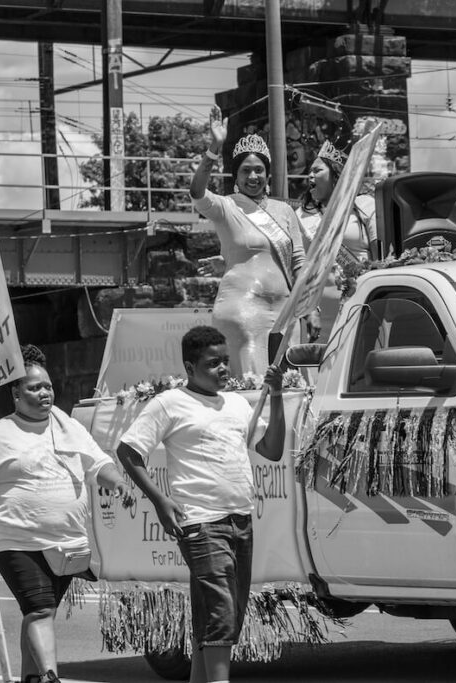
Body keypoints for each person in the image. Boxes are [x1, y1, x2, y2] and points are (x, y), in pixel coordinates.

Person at [116, 325, 287, 683]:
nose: (223, 368)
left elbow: (272, 450)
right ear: (190, 368)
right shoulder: (169, 403)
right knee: (222, 612)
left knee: (219, 614)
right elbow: (128, 451)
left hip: (240, 520)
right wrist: (160, 501)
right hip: (200, 523)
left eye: (225, 360)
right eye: (213, 363)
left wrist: (276, 395)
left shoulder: (237, 403)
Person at [0, 344, 133, 683]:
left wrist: (118, 483)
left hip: (67, 545)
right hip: (17, 541)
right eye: (35, 387)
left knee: (36, 615)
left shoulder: (69, 427)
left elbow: (98, 465)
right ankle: (51, 677)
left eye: (47, 386)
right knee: (40, 610)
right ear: (16, 394)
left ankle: (31, 678)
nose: (44, 393)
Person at [190, 105, 306, 378]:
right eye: (245, 171)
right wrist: (214, 148)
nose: (253, 177)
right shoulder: (226, 207)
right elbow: (197, 192)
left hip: (285, 310)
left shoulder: (285, 211)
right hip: (243, 310)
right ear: (236, 175)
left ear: (267, 174)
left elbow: (299, 261)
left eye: (259, 170)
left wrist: (307, 305)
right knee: (252, 384)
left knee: (294, 384)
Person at [296, 140, 377, 341]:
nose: (310, 176)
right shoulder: (303, 216)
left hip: (363, 306)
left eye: (317, 170)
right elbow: (299, 269)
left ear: (336, 175)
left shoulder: (364, 205)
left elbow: (381, 258)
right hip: (320, 316)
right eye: (309, 171)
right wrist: (308, 311)